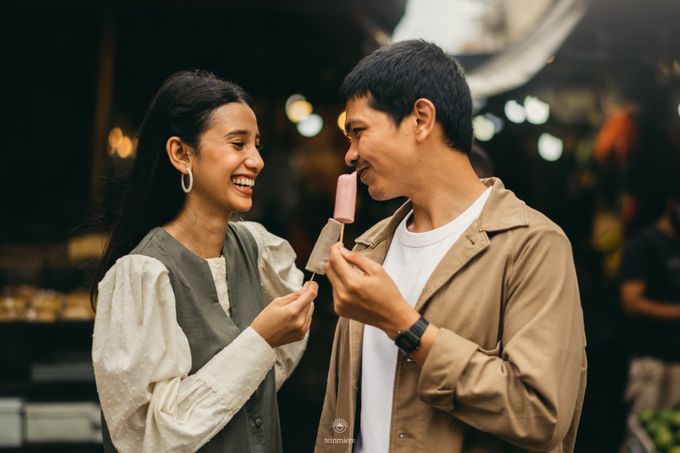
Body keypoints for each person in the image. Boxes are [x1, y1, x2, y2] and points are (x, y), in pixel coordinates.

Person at [316, 40, 587, 452]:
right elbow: (340, 422)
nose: (350, 155)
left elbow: (540, 415)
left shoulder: (532, 246)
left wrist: (404, 325)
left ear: (421, 118)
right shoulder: (369, 250)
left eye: (358, 132)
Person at [90, 70, 317, 452]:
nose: (257, 160)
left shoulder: (256, 248)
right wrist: (259, 340)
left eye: (256, 145)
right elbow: (150, 436)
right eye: (238, 143)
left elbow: (272, 369)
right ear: (182, 154)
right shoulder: (143, 274)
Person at [619, 180, 680, 431]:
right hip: (651, 361)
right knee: (644, 434)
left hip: (677, 361)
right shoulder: (645, 245)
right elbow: (631, 302)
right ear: (673, 205)